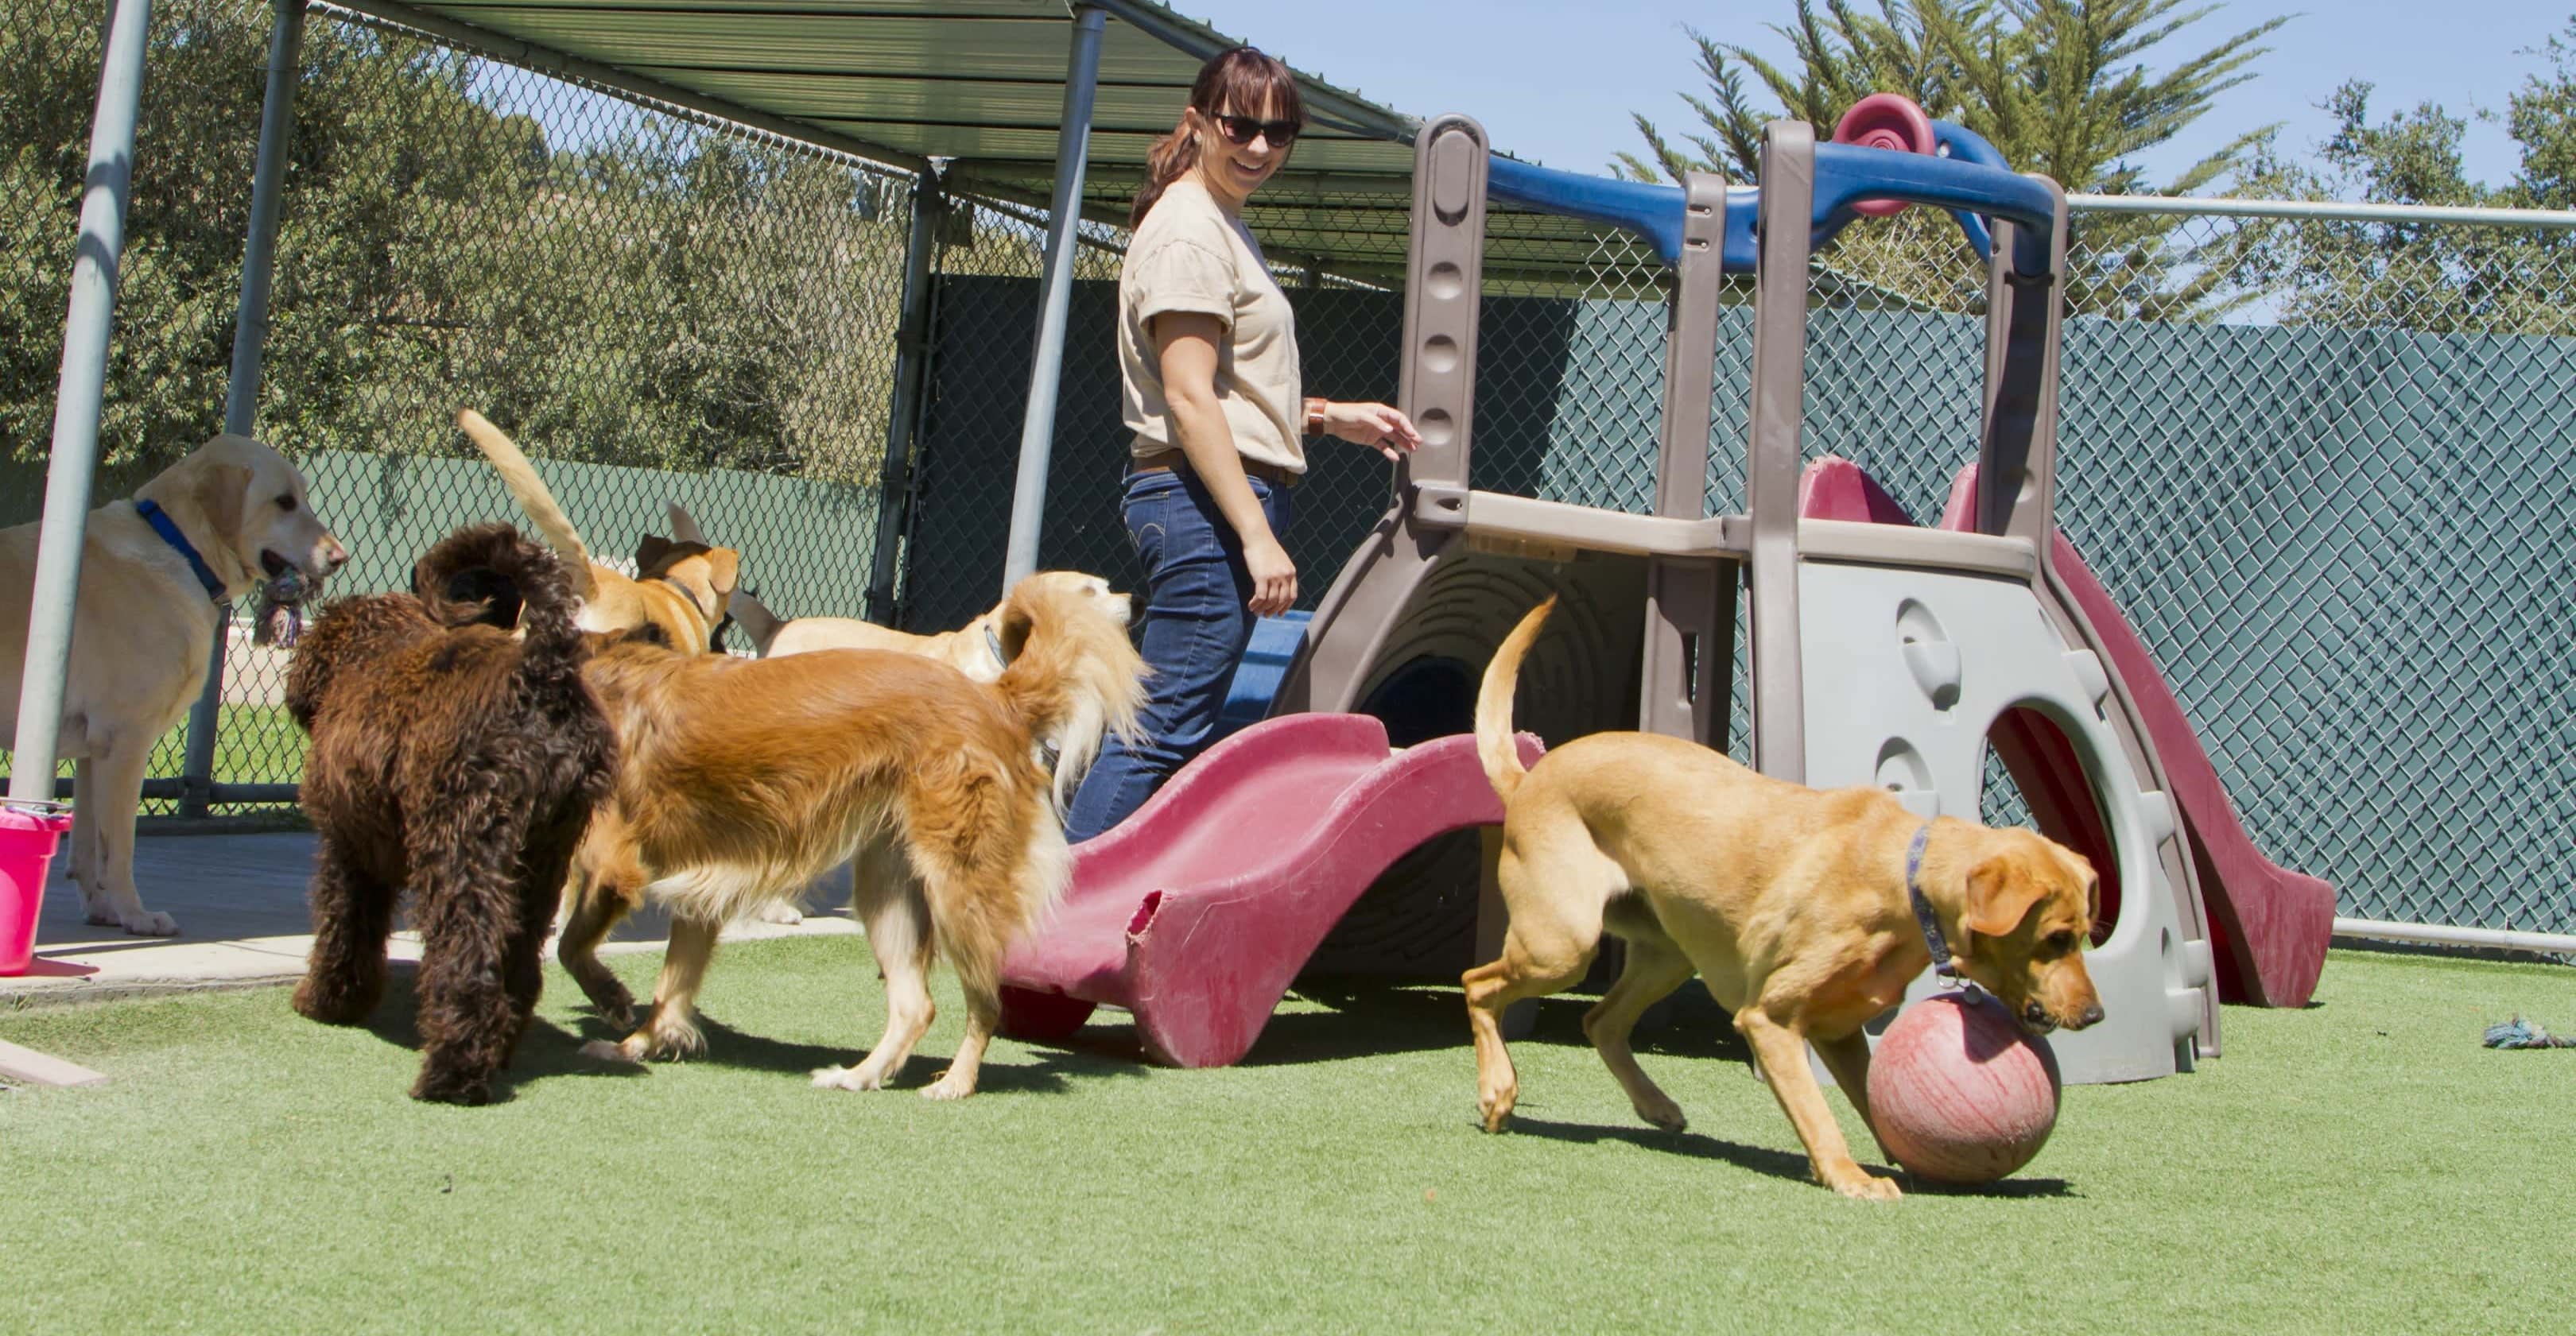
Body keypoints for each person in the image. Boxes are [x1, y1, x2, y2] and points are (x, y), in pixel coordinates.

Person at [1061, 46, 1422, 842]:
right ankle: (1063, 910)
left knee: (1167, 725)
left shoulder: (1219, 221)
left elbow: (1225, 391)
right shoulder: (1191, 230)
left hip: (1210, 499)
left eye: (1278, 132)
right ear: (1198, 122)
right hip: (1203, 507)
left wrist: (1326, 416)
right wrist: (1256, 536)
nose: (1259, 147)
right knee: (1162, 732)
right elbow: (1188, 398)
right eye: (1240, 126)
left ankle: (1091, 900)